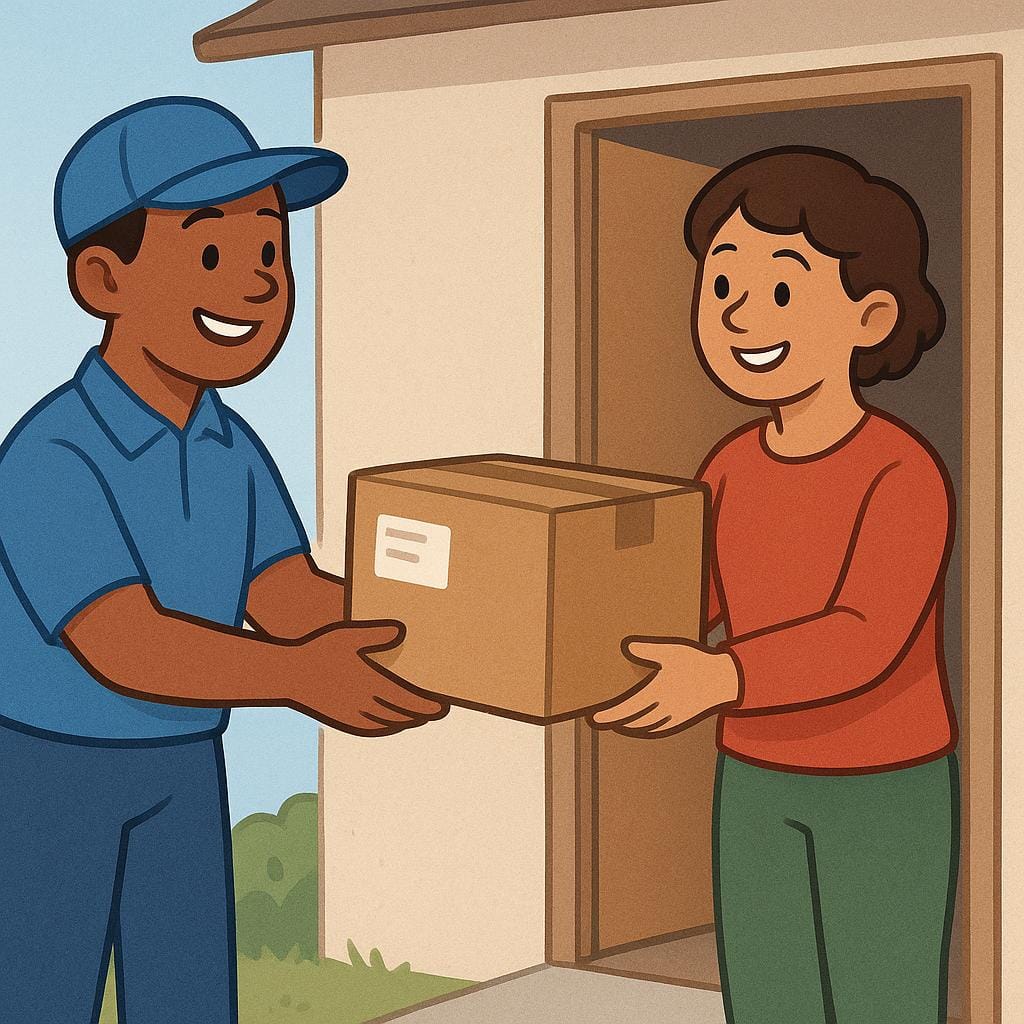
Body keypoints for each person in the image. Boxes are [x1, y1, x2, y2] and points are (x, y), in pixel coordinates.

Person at [0, 96, 448, 1024]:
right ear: (103, 279)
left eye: (270, 254)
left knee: (190, 997)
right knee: (41, 995)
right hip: (50, 775)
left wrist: (446, 637)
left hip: (185, 762)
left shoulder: (229, 445)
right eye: (211, 256)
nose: (255, 286)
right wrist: (300, 678)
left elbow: (286, 593)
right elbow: (126, 642)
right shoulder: (49, 456)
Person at [591, 146, 959, 1024]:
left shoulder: (902, 471)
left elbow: (865, 634)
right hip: (753, 777)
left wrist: (721, 677)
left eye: (783, 290)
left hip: (885, 785)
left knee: (882, 1002)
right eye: (722, 285)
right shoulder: (728, 465)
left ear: (870, 316)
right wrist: (588, 645)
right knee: (768, 998)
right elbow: (691, 600)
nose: (740, 314)